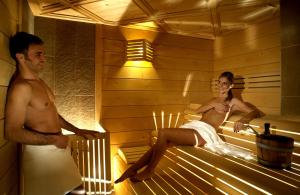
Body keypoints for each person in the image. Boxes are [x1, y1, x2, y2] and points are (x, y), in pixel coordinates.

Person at [115, 71, 260, 183]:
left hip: (205, 133)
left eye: (224, 83)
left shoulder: (233, 101)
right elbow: (198, 111)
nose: (221, 86)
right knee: (164, 141)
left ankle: (149, 170)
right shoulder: (213, 99)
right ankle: (134, 168)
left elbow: (254, 111)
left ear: (231, 85)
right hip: (195, 127)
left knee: (163, 133)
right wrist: (213, 104)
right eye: (219, 83)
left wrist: (243, 120)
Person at [5, 32, 99, 195]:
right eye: (38, 54)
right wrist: (53, 139)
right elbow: (11, 132)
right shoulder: (21, 88)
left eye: (43, 54)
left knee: (79, 191)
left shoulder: (39, 82)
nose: (44, 59)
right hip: (41, 155)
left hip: (57, 147)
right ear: (21, 57)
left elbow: (51, 114)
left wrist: (77, 130)